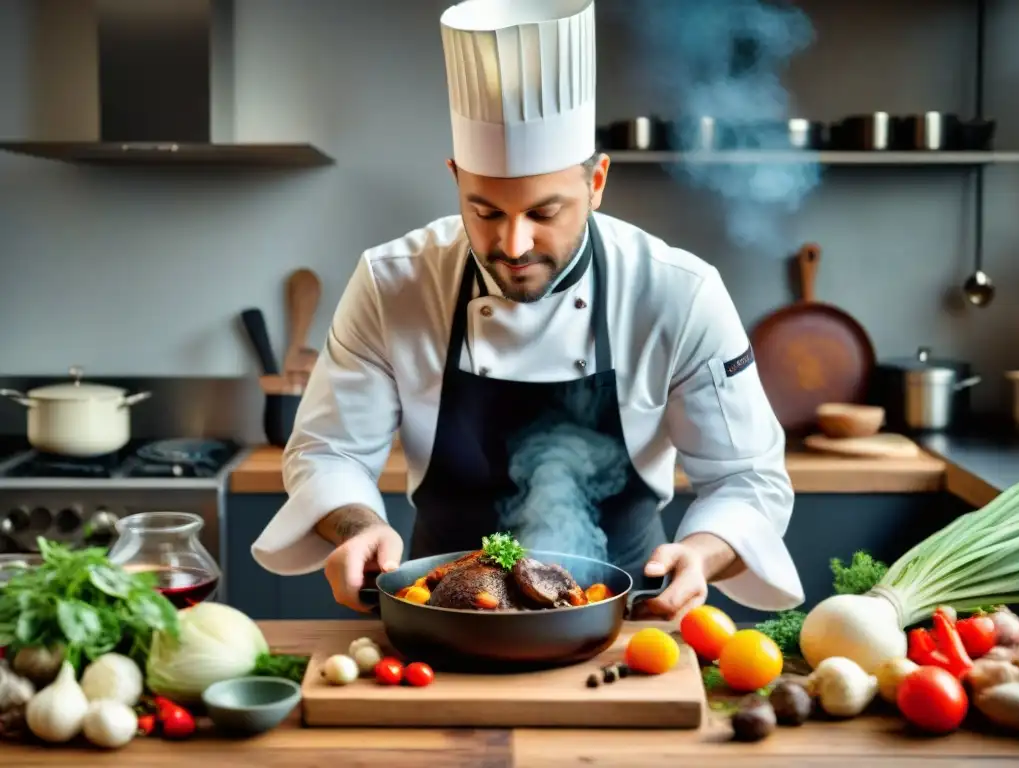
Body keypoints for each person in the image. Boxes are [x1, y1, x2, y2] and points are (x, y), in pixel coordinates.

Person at [251, 0, 804, 621]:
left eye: (544, 213)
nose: (512, 246)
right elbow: (330, 450)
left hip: (627, 614)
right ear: (455, 177)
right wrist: (356, 528)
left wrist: (703, 553)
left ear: (595, 184)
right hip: (441, 612)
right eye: (485, 211)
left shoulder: (678, 291)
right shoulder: (392, 282)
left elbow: (746, 477)